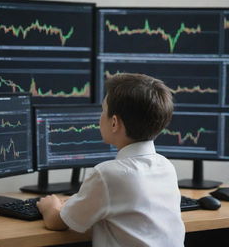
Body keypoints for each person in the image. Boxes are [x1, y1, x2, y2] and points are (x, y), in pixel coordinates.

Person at [37, 73, 185, 247]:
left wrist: (49, 205)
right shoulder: (166, 166)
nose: (100, 117)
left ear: (114, 123)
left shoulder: (107, 174)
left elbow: (56, 223)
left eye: (103, 111)